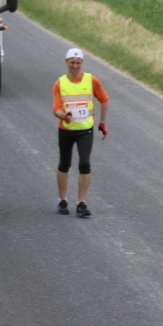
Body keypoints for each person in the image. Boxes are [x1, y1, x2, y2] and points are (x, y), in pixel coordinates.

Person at [52, 47, 109, 217]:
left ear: (82, 63)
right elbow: (56, 108)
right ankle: (62, 200)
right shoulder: (60, 83)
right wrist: (64, 115)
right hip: (66, 129)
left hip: (85, 130)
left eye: (78, 63)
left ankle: (81, 203)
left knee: (85, 163)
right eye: (72, 63)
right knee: (65, 163)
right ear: (66, 62)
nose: (75, 66)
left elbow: (104, 100)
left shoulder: (92, 81)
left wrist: (102, 123)